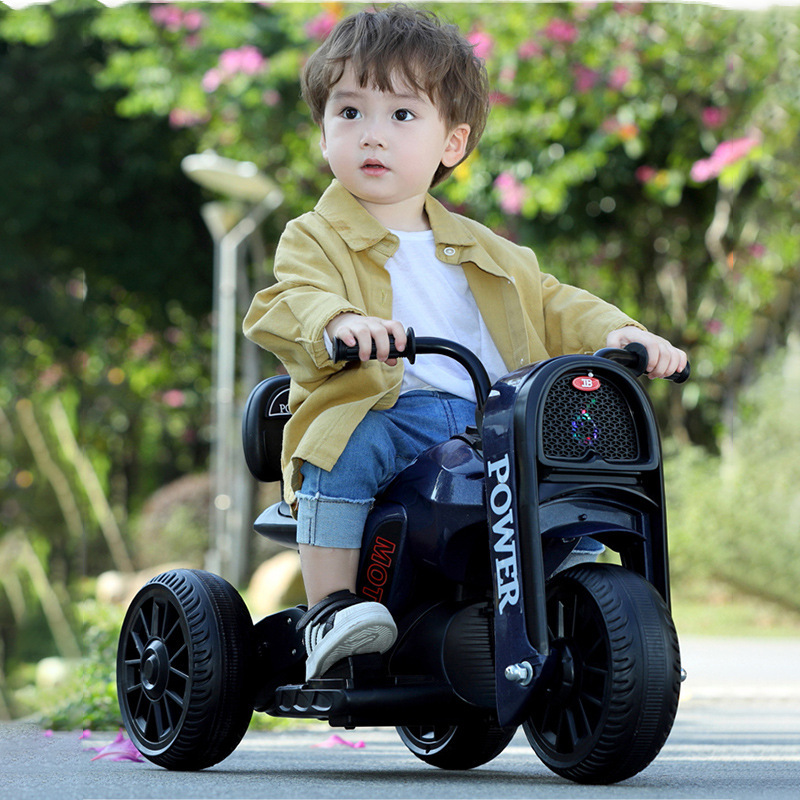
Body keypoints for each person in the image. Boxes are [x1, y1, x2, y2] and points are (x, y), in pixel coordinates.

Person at [243, 4, 687, 681]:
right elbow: (291, 299)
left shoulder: (485, 248)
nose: (372, 135)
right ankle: (330, 607)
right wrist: (338, 323)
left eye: (401, 116)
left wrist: (620, 331)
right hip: (385, 410)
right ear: (324, 129)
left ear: (451, 144)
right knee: (346, 444)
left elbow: (553, 300)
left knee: (570, 474)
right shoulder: (315, 236)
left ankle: (587, 607)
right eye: (350, 112)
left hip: (495, 421)